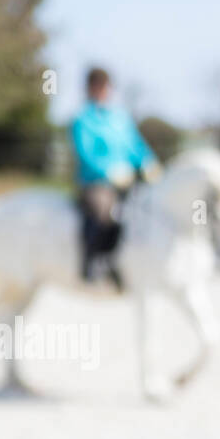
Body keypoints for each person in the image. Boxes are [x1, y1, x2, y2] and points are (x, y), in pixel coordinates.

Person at [70, 67, 159, 287]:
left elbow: (134, 145)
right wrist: (109, 172)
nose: (102, 91)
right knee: (105, 211)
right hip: (96, 182)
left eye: (105, 87)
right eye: (98, 87)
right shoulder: (82, 119)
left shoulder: (119, 118)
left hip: (129, 180)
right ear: (89, 89)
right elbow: (86, 153)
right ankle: (94, 261)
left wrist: (148, 162)